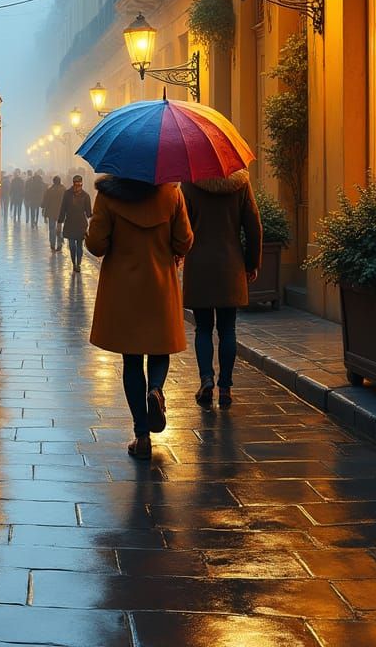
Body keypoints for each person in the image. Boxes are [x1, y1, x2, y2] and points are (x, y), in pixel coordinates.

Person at [86, 174, 193, 460]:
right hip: (160, 285)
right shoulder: (172, 195)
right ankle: (156, 390)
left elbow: (96, 245)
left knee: (132, 360)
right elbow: (184, 241)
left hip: (124, 289)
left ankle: (142, 436)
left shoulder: (108, 196)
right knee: (160, 348)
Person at [182, 168, 262, 408]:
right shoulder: (241, 184)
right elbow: (254, 226)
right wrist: (252, 263)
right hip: (231, 265)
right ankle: (225, 387)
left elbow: (181, 226)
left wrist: (178, 252)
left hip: (199, 266)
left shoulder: (190, 182)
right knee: (228, 329)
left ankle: (206, 379)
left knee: (203, 328)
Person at [58, 175, 93, 270]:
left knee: (79, 246)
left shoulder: (86, 196)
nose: (78, 186)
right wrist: (60, 221)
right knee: (72, 245)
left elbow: (88, 212)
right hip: (70, 222)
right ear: (73, 183)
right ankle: (74, 263)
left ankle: (78, 264)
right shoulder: (67, 194)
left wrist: (93, 215)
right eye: (76, 184)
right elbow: (63, 208)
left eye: (79, 184)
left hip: (81, 224)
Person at [41, 175, 65, 253]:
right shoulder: (64, 190)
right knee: (59, 229)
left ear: (53, 182)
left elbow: (45, 200)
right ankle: (59, 244)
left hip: (51, 212)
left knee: (52, 229)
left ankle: (52, 244)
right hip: (61, 212)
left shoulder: (50, 190)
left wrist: (43, 206)